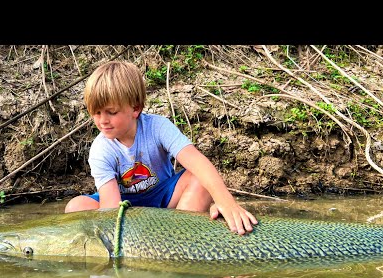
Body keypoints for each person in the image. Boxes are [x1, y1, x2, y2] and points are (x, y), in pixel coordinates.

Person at [64, 60, 258, 235]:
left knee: (199, 176)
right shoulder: (100, 149)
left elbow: (198, 162)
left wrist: (226, 202)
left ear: (135, 109)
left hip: (165, 199)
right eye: (96, 113)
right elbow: (111, 209)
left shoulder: (158, 127)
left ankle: (179, 234)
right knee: (76, 206)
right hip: (125, 204)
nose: (102, 120)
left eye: (111, 112)